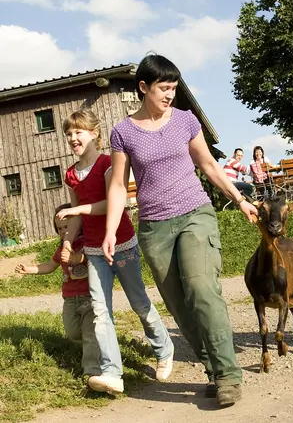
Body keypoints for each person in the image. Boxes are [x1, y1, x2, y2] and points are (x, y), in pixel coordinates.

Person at [103, 54, 257, 407]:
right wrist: (111, 230)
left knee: (202, 288)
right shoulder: (123, 132)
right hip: (154, 227)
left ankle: (229, 374)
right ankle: (214, 371)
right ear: (144, 87)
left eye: (174, 87)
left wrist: (240, 198)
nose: (170, 94)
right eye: (164, 88)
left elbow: (208, 165)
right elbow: (117, 186)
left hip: (194, 214)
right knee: (179, 304)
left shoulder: (185, 121)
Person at [59, 110, 174, 395]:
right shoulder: (71, 174)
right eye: (69, 134)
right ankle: (112, 373)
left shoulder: (109, 164)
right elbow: (76, 218)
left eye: (79, 132)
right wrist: (67, 241)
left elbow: (114, 203)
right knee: (100, 310)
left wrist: (79, 209)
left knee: (138, 302)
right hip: (94, 250)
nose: (73, 138)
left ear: (95, 133)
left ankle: (164, 348)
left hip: (121, 244)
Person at [14, 203, 100, 378]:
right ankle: (98, 346)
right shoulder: (61, 248)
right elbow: (50, 266)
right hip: (69, 298)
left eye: (67, 227)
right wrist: (29, 269)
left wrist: (75, 257)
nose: (63, 231)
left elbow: (88, 257)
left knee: (90, 333)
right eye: (60, 228)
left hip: (89, 296)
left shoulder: (86, 242)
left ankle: (92, 370)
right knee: (72, 332)